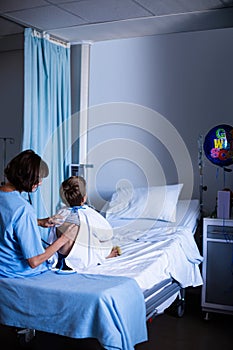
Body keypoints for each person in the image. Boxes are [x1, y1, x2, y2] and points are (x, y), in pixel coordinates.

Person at [0, 149, 75, 278]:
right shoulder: (23, 209)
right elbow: (34, 261)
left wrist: (39, 222)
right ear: (26, 177)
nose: (40, 183)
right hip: (16, 272)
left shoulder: (5, 197)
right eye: (38, 178)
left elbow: (7, 224)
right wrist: (64, 239)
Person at [48, 176, 121, 271]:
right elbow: (107, 234)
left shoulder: (60, 212)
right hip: (79, 259)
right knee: (107, 242)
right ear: (84, 198)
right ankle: (105, 256)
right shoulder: (89, 214)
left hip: (60, 256)